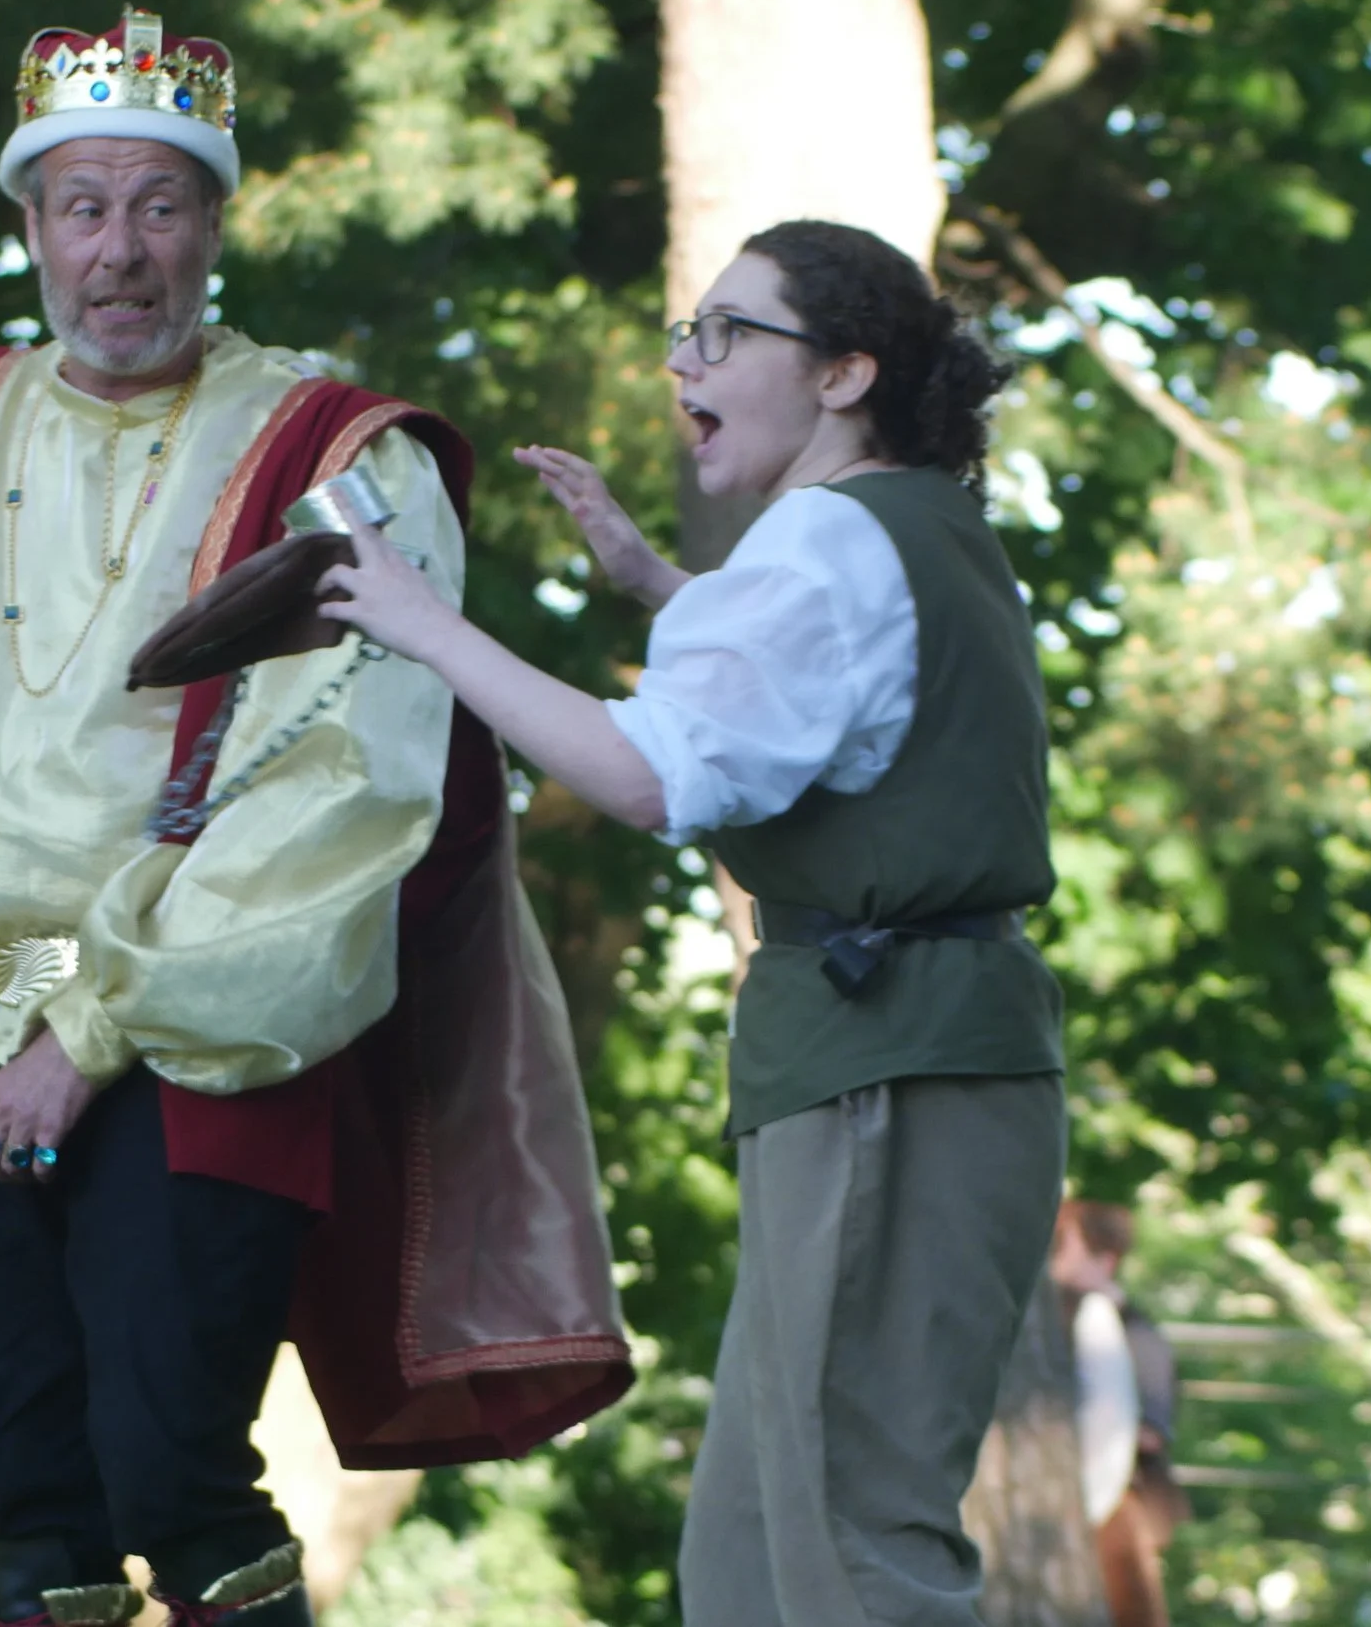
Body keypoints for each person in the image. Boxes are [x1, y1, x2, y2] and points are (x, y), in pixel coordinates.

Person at [0, 7, 627, 1627]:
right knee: (24, 1497)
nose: (121, 250)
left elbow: (345, 789)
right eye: (86, 207)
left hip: (201, 1024)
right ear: (33, 230)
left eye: (160, 205)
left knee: (172, 1463)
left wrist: (94, 1026)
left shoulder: (338, 459)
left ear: (216, 224)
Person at [320, 218, 1071, 1625]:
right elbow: (824, 689)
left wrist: (424, 625)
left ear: (843, 374)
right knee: (748, 1558)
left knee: (849, 1542)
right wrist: (659, 585)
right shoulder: (909, 526)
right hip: (898, 1057)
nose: (686, 362)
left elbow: (649, 774)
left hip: (892, 1067)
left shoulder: (832, 538)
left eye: (728, 333)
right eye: (690, 332)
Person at [1050, 1200, 1191, 1627]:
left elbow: (1147, 1432)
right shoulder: (1070, 1319)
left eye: (1065, 1246)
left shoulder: (1135, 1334)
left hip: (1116, 1502)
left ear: (1104, 1261)